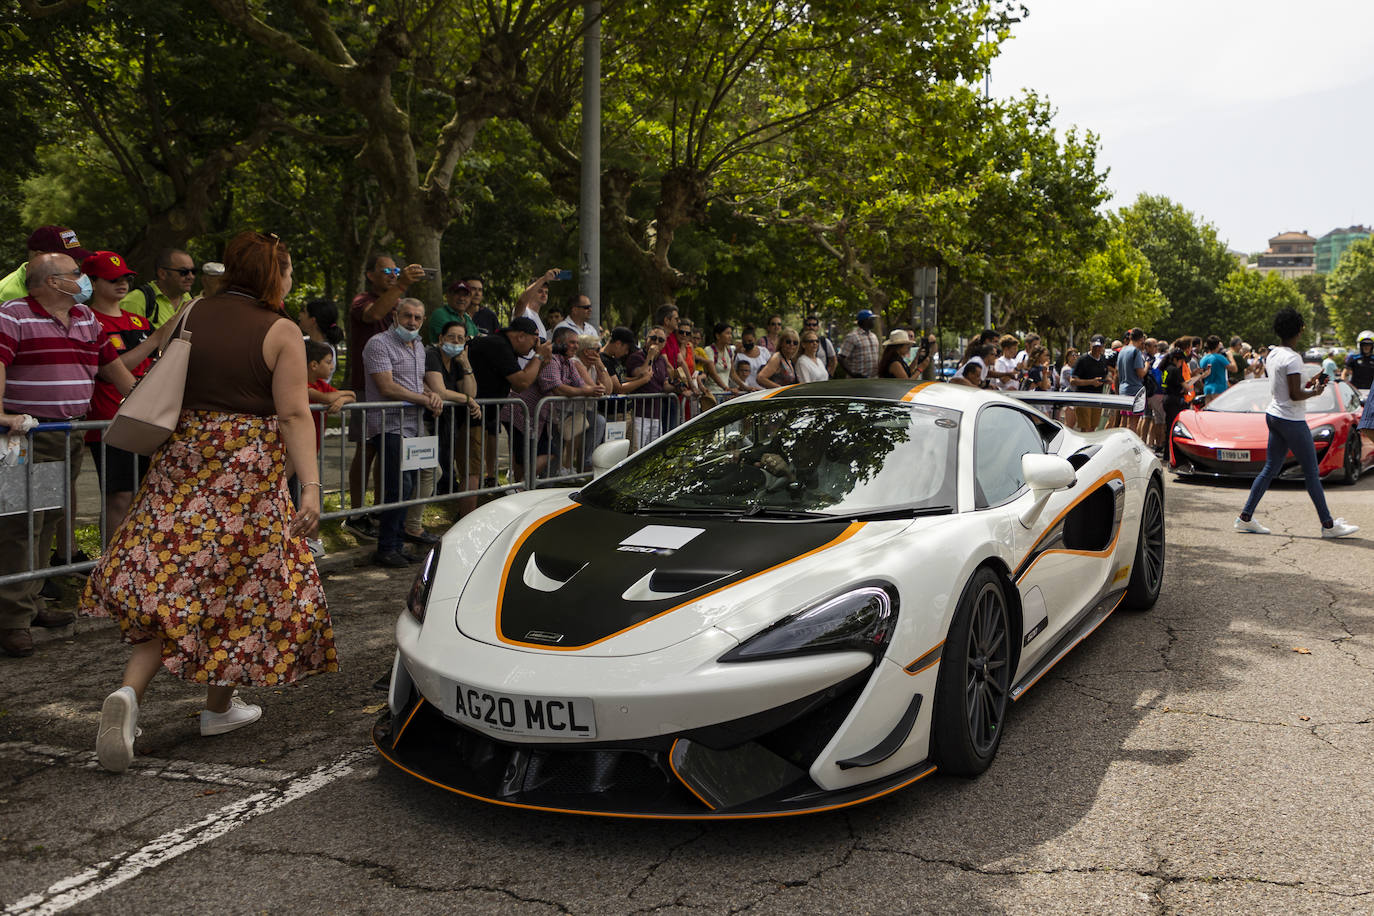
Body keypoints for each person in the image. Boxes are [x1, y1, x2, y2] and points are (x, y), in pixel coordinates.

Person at [83, 230, 337, 772]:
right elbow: (293, 414)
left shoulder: (193, 309)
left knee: (178, 582)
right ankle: (217, 709)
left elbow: (142, 361)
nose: (290, 280)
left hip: (182, 456)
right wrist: (311, 488)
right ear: (272, 274)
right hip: (245, 470)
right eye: (287, 269)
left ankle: (129, 694)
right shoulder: (281, 329)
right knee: (244, 587)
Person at [0, 254, 137, 659]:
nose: (83, 280)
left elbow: (111, 367)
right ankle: (11, 619)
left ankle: (32, 600)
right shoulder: (14, 315)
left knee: (48, 519)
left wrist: (144, 402)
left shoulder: (85, 319)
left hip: (68, 432)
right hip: (28, 434)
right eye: (76, 274)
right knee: (21, 522)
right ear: (51, 282)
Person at [81, 251, 183, 542]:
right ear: (92, 281)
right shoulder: (88, 321)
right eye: (112, 279)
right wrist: (154, 339)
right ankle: (112, 561)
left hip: (147, 419)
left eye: (125, 277)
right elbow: (110, 370)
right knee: (120, 495)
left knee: (148, 493)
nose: (121, 283)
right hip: (109, 421)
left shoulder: (138, 321)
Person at [1234, 308, 1358, 539]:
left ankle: (1245, 518)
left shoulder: (1273, 354)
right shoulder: (1293, 358)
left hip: (1275, 415)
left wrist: (1309, 383)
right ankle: (1328, 525)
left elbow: (1286, 387)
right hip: (1292, 419)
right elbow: (1294, 394)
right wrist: (1316, 391)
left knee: (1270, 468)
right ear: (1299, 330)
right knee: (1312, 472)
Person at [362, 297, 444, 566]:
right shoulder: (378, 343)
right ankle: (385, 547)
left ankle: (396, 545)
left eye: (418, 317)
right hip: (388, 424)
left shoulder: (418, 345)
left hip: (414, 426)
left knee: (407, 487)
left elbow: (415, 383)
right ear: (395, 316)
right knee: (399, 486)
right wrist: (423, 399)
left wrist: (431, 395)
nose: (412, 321)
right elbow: (387, 387)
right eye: (407, 315)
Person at [465, 316, 554, 486]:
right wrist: (539, 357)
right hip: (470, 414)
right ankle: (467, 511)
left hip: (480, 413)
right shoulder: (499, 345)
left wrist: (541, 361)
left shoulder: (505, 346)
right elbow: (521, 382)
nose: (536, 344)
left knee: (473, 469)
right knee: (472, 471)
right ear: (520, 336)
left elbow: (521, 385)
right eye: (534, 339)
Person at [424, 320, 482, 518]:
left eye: (460, 338)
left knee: (434, 474)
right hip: (427, 423)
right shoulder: (432, 355)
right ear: (441, 338)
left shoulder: (457, 361)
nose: (455, 342)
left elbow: (471, 391)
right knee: (429, 474)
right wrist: (467, 400)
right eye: (451, 337)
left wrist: (465, 363)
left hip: (446, 424)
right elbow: (440, 391)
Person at [0, 225, 94, 302]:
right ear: (40, 257)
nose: (76, 265)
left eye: (77, 259)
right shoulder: (10, 297)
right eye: (67, 258)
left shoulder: (61, 286)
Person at [120, 248, 196, 328]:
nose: (191, 277)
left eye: (193, 271)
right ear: (162, 274)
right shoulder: (135, 302)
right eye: (183, 272)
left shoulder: (189, 300)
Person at [1071, 335, 1110, 430]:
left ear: (1103, 346)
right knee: (1085, 428)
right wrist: (1091, 382)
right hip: (1083, 399)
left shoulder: (1103, 359)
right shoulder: (1082, 360)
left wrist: (1107, 380)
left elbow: (1105, 375)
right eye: (1094, 346)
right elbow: (1073, 381)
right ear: (1090, 345)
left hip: (1097, 398)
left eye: (1099, 346)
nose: (1097, 349)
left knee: (1093, 427)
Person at [1115, 328, 1147, 434]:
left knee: (1123, 422)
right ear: (1141, 339)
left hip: (1123, 389)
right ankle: (1129, 447)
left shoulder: (1122, 350)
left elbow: (1117, 372)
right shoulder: (1135, 351)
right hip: (1135, 390)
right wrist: (1146, 366)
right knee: (1133, 424)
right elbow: (1140, 373)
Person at [837, 309, 880, 379]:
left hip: (873, 379)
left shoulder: (874, 336)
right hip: (857, 380)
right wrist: (852, 374)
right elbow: (841, 358)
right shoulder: (852, 337)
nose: (873, 322)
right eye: (871, 319)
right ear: (865, 321)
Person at [702, 322, 740, 395]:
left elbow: (733, 374)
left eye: (730, 333)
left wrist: (745, 387)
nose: (730, 336)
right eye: (727, 333)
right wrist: (726, 388)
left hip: (725, 394)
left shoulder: (729, 351)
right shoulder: (709, 350)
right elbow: (713, 373)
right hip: (712, 393)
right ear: (718, 336)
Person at [1196, 335, 1232, 408]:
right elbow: (1234, 368)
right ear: (1218, 345)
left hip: (1207, 388)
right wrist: (1230, 356)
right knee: (1219, 411)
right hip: (1219, 388)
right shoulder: (1219, 358)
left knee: (1209, 412)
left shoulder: (1203, 359)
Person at [732, 326, 770, 391]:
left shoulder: (764, 351)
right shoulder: (738, 355)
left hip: (762, 390)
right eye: (744, 341)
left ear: (755, 339)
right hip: (746, 390)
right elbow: (733, 372)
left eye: (750, 341)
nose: (747, 343)